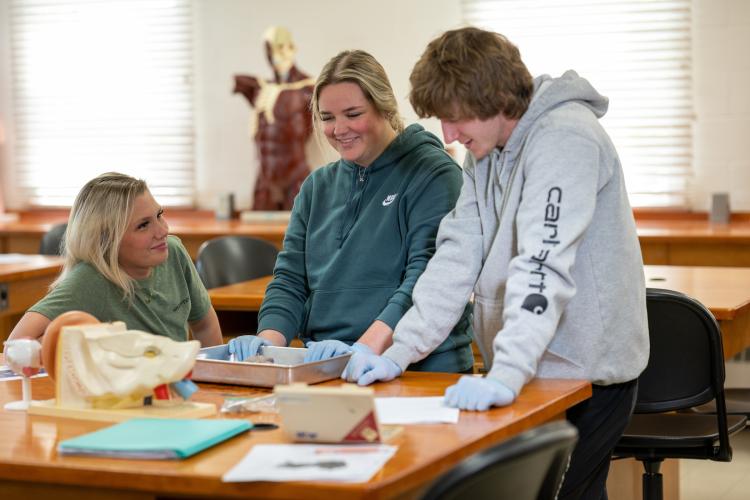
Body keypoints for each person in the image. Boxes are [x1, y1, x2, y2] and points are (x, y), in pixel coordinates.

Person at [342, 27, 649, 499]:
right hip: (533, 368)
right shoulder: (485, 151)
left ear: (498, 99)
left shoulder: (565, 138)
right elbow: (456, 255)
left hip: (587, 369)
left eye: (454, 117)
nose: (447, 134)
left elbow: (542, 264)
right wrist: (398, 350)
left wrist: (506, 373)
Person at [227, 50, 474, 374]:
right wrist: (268, 343)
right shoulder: (317, 187)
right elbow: (290, 279)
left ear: (384, 106)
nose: (339, 128)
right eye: (327, 117)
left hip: (416, 368)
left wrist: (365, 348)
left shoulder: (433, 173)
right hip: (326, 366)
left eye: (353, 114)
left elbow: (427, 278)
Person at [8, 172, 222, 347]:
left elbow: (204, 325)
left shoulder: (173, 251)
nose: (163, 230)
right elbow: (16, 345)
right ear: (106, 240)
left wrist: (215, 383)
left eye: (159, 215)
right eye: (143, 225)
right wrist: (78, 341)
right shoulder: (89, 280)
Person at [233, 26, 315, 210]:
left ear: (292, 48)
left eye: (282, 47)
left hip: (295, 175)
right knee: (258, 237)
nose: (277, 55)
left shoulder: (308, 88)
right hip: (265, 177)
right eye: (271, 49)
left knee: (300, 231)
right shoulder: (260, 88)